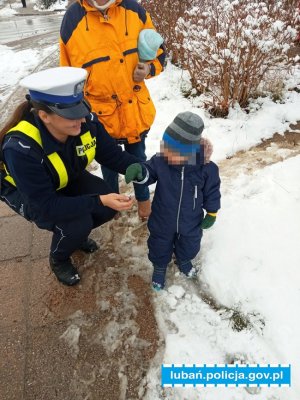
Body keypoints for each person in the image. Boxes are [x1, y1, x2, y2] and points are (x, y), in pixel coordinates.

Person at [0, 67, 144, 287]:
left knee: (105, 208)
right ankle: (59, 258)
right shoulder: (21, 149)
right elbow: (46, 205)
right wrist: (98, 200)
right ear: (44, 115)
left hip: (64, 177)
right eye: (71, 114)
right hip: (26, 193)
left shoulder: (86, 122)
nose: (82, 120)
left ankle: (74, 236)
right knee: (79, 220)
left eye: (81, 109)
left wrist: (142, 168)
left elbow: (111, 155)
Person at [59, 0, 166, 220]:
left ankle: (144, 203)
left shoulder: (134, 11)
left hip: (133, 109)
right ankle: (111, 207)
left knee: (138, 158)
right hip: (101, 115)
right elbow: (67, 74)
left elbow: (160, 53)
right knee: (108, 164)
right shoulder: (72, 20)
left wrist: (148, 68)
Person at [125, 112, 221, 290]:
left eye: (172, 151)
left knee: (190, 243)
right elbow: (149, 171)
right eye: (165, 147)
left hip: (191, 219)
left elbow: (212, 192)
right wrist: (140, 171)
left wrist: (212, 212)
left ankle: (184, 260)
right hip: (163, 216)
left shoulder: (207, 169)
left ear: (190, 152)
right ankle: (160, 267)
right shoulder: (161, 161)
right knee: (159, 243)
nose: (166, 153)